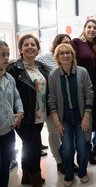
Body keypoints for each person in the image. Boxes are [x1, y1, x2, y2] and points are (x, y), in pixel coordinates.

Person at [48, 43, 93, 186]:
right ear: (57, 57)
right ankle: (68, 173)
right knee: (67, 148)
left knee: (82, 147)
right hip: (64, 118)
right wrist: (56, 121)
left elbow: (89, 94)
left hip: (82, 116)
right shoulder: (53, 75)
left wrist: (86, 116)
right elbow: (51, 100)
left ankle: (82, 172)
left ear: (73, 55)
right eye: (62, 53)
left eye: (68, 52)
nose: (65, 55)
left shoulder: (82, 72)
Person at [8, 34, 49, 187]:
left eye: (33, 44)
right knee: (34, 147)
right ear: (20, 50)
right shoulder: (13, 68)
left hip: (40, 115)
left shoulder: (41, 67)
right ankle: (36, 179)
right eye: (26, 44)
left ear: (38, 50)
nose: (30, 47)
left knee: (28, 145)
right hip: (23, 116)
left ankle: (26, 176)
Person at [36, 34, 78, 174]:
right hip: (51, 103)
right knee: (54, 133)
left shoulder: (70, 58)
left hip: (68, 105)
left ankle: (70, 160)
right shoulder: (43, 58)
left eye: (69, 43)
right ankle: (59, 161)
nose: (68, 45)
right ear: (56, 43)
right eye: (64, 42)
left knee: (68, 135)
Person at [72, 19, 96, 165]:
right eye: (89, 27)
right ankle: (80, 154)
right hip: (80, 84)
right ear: (84, 28)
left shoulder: (94, 46)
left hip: (92, 83)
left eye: (95, 28)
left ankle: (87, 153)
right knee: (82, 118)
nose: (92, 30)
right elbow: (69, 61)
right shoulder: (76, 42)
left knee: (90, 118)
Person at [0, 40, 24, 187]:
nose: (7, 58)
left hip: (8, 131)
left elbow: (16, 98)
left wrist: (20, 112)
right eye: (3, 54)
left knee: (5, 167)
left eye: (8, 54)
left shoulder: (9, 78)